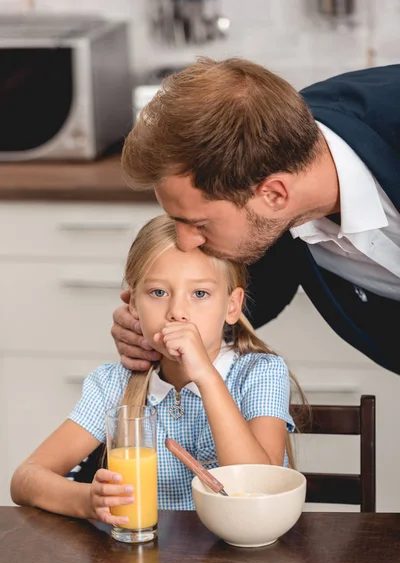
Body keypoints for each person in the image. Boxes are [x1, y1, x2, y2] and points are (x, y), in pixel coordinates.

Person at [113, 57, 400, 376]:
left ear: (275, 195)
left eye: (199, 224)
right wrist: (156, 330)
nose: (185, 241)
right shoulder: (264, 169)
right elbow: (253, 293)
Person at [11, 215, 305, 523]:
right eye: (158, 293)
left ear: (232, 305)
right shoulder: (112, 384)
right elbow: (25, 479)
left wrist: (206, 377)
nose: (177, 312)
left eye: (200, 294)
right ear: (133, 304)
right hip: (145, 560)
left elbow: (260, 491)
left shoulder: (261, 373)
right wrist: (87, 501)